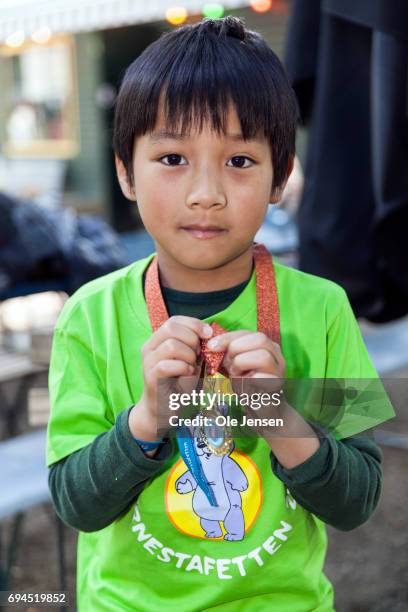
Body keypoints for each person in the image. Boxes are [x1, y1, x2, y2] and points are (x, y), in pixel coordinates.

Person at [47, 17, 389, 611]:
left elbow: (357, 502)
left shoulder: (326, 309)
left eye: (239, 161)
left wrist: (277, 414)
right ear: (126, 171)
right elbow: (77, 503)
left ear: (281, 176)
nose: (207, 192)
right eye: (173, 156)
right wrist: (148, 417)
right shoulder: (88, 316)